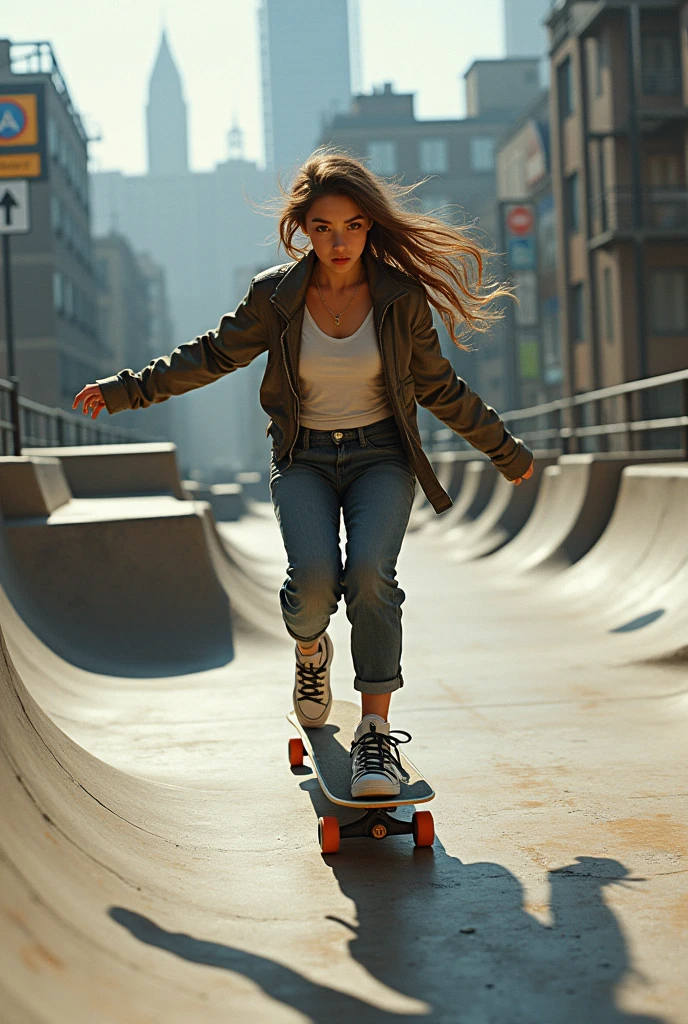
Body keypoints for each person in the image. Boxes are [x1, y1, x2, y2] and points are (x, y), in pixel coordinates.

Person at [73, 149, 534, 800]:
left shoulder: (399, 299)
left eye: (352, 226)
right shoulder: (276, 296)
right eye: (324, 227)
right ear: (303, 229)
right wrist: (130, 390)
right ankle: (311, 653)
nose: (339, 241)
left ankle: (376, 736)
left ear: (370, 226)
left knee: (371, 577)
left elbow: (439, 387)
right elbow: (211, 354)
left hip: (382, 456)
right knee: (314, 584)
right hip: (304, 459)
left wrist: (504, 449)